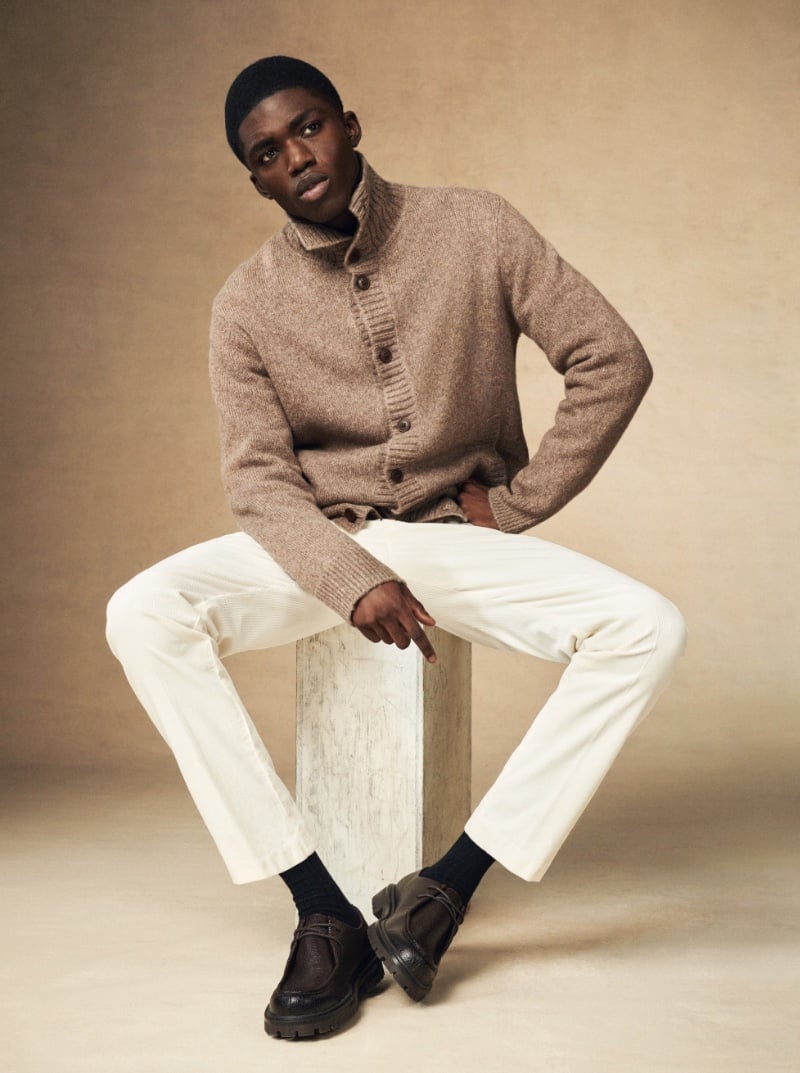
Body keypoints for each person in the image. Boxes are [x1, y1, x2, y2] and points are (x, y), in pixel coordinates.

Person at [106, 55, 687, 1040]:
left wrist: (517, 499)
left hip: (455, 543)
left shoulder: (476, 227)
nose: (294, 157)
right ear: (253, 180)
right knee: (142, 612)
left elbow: (609, 357)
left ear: (349, 125)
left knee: (645, 626)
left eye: (306, 128)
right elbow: (257, 479)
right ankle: (320, 905)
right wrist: (348, 575)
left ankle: (442, 890)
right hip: (317, 550)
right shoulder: (243, 305)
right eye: (265, 154)